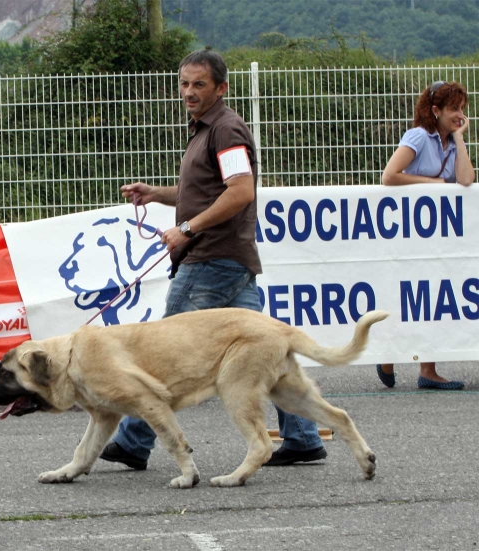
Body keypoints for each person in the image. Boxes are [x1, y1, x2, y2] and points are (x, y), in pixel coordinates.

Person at [99, 49, 327, 471]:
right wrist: (156, 193)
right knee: (268, 351)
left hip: (210, 261)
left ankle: (132, 442)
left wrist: (185, 230)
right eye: (184, 83)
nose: (189, 91)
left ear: (221, 88)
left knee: (160, 352)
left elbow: (241, 191)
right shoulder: (208, 129)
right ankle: (303, 437)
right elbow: (205, 191)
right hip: (232, 262)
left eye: (199, 84)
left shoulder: (225, 129)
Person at [377, 80, 474, 391]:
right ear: (435, 111)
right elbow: (390, 176)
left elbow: (465, 179)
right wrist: (432, 184)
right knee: (407, 294)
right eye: (453, 109)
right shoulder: (418, 136)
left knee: (429, 296)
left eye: (462, 109)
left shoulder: (447, 143)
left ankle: (427, 369)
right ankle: (389, 353)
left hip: (435, 235)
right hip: (408, 231)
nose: (459, 114)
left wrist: (459, 139)